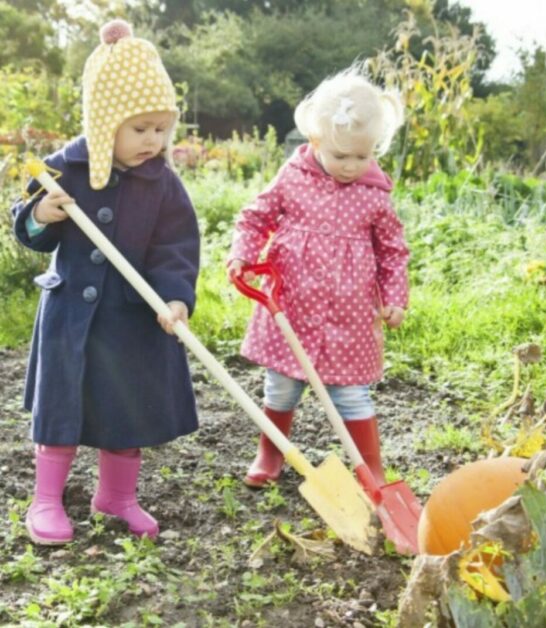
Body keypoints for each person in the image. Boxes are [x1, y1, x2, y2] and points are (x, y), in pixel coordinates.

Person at [12, 19, 200, 544]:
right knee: (62, 406)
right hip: (72, 314)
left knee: (126, 408)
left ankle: (116, 496)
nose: (154, 140)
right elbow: (27, 230)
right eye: (140, 128)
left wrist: (175, 298)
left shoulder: (162, 184)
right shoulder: (61, 171)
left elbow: (176, 249)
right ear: (104, 122)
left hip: (131, 319)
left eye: (163, 128)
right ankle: (47, 499)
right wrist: (41, 216)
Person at [226, 67, 409, 488]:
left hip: (349, 319)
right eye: (341, 156)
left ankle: (371, 470)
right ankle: (270, 454)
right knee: (283, 389)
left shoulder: (374, 194)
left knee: (351, 394)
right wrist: (242, 255)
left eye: (362, 157)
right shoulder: (293, 178)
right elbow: (255, 219)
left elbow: (393, 251)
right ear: (315, 143)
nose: (352, 167)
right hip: (290, 306)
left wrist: (395, 298)